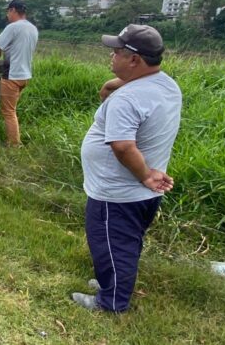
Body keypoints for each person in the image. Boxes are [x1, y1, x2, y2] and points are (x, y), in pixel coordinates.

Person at [72, 24, 182, 312]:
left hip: (118, 191)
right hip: (138, 193)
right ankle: (111, 284)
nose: (111, 56)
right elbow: (133, 91)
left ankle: (111, 303)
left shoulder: (128, 98)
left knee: (113, 245)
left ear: (134, 59)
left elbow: (122, 146)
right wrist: (113, 84)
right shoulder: (165, 85)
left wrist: (144, 175)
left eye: (117, 52)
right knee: (122, 243)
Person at [0, 0, 38, 146]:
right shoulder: (32, 28)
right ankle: (14, 140)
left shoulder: (13, 27)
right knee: (11, 110)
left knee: (8, 112)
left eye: (8, 11)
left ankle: (13, 144)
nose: (7, 15)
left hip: (12, 76)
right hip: (25, 75)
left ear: (13, 10)